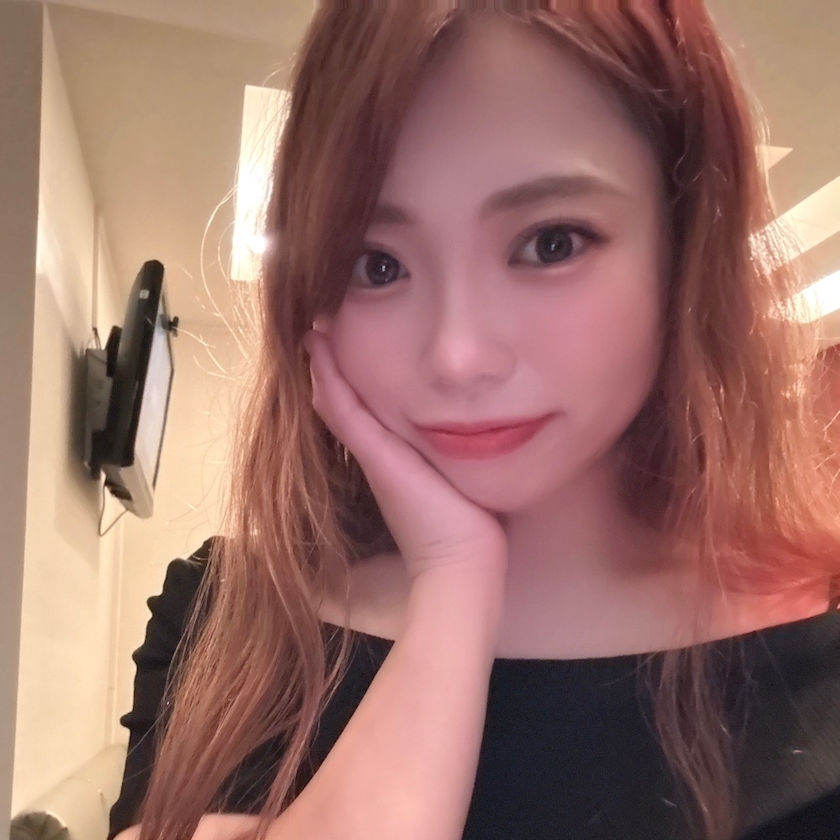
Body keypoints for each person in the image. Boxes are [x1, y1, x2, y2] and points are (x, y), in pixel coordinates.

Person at [120, 3, 840, 840]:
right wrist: (453, 585)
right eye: (375, 264)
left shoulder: (816, 651)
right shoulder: (226, 621)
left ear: (683, 252)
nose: (457, 356)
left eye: (552, 243)